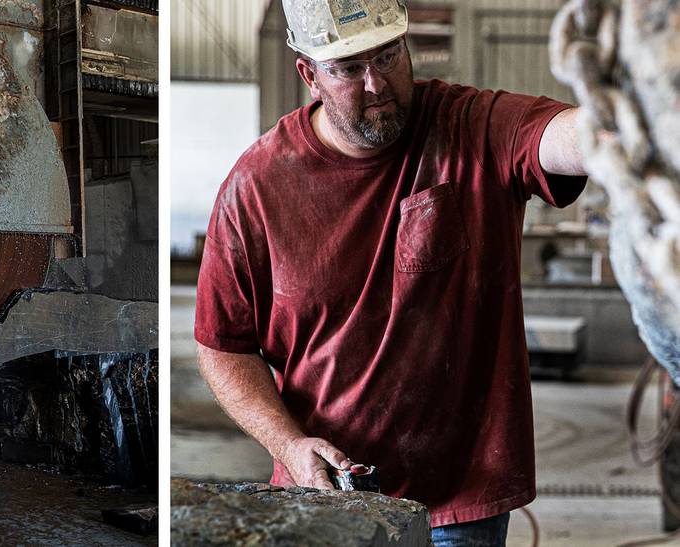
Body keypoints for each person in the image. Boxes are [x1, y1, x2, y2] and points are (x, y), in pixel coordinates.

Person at [193, 1, 588, 545]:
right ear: (309, 75)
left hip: (458, 500)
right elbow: (224, 346)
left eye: (388, 55)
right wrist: (288, 445)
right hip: (326, 491)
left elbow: (561, 137)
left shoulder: (469, 126)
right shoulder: (256, 187)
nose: (377, 83)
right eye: (350, 69)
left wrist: (628, 119)